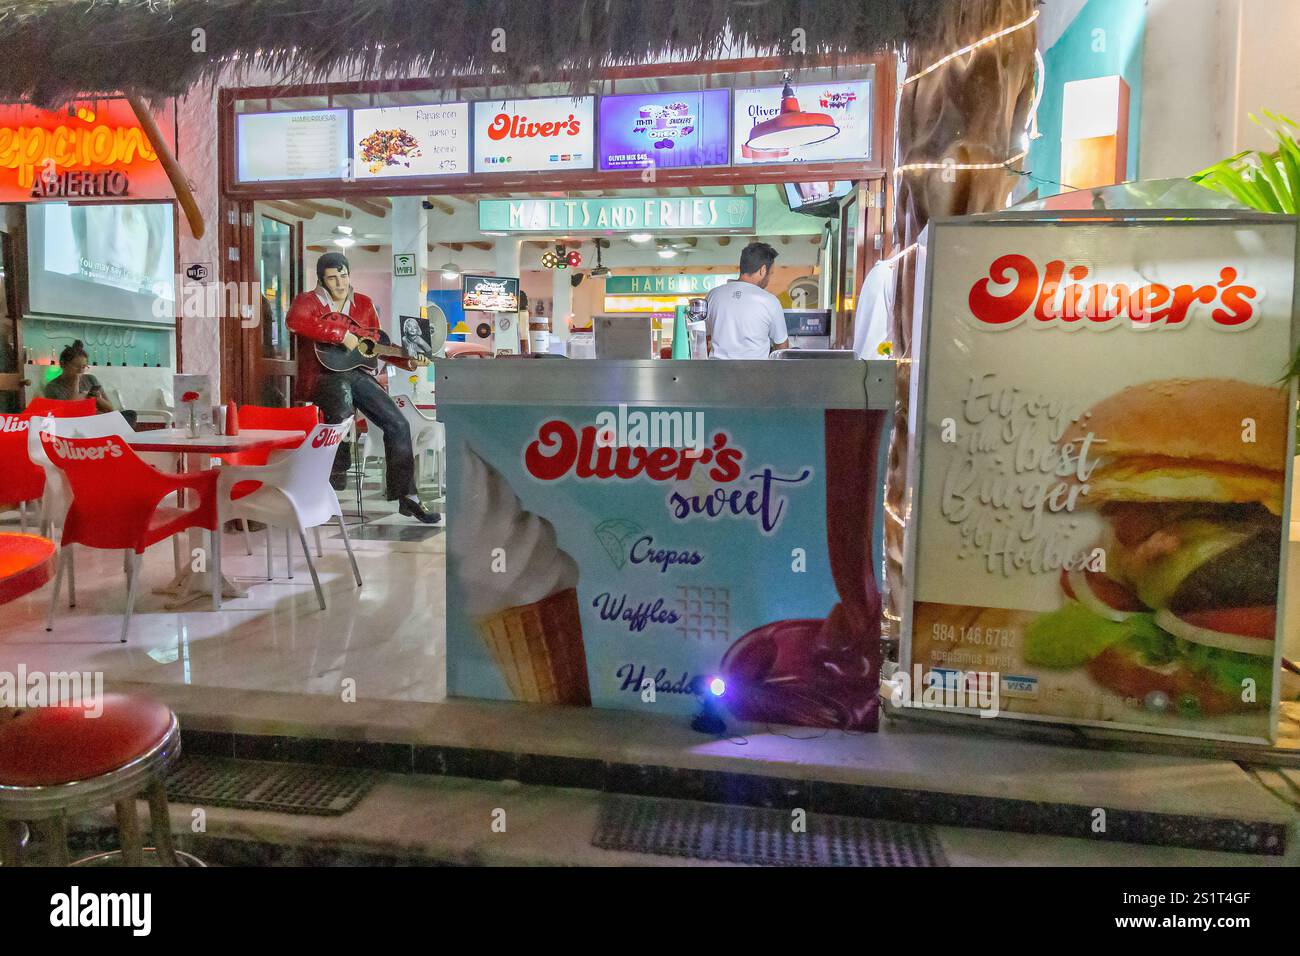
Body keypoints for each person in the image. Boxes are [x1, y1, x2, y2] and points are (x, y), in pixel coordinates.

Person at [286, 252, 439, 524]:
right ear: (321, 279)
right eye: (332, 278)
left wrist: (409, 360)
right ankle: (328, 480)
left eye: (343, 276)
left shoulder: (364, 305)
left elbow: (372, 347)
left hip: (356, 373)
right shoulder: (307, 301)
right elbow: (296, 322)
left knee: (398, 424)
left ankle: (407, 497)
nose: (340, 283)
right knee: (341, 417)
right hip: (323, 375)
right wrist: (339, 335)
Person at [704, 241, 790, 359]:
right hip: (753, 374)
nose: (769, 279)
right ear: (763, 270)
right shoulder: (770, 301)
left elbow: (703, 337)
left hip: (717, 374)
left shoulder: (713, 295)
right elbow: (782, 349)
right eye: (770, 274)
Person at [42, 340, 137, 426]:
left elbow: (110, 409)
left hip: (98, 419)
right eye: (76, 366)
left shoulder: (91, 379)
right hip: (75, 424)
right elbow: (67, 413)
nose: (80, 371)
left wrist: (97, 399)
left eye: (83, 367)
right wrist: (76, 382)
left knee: (130, 414)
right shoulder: (52, 387)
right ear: (63, 364)